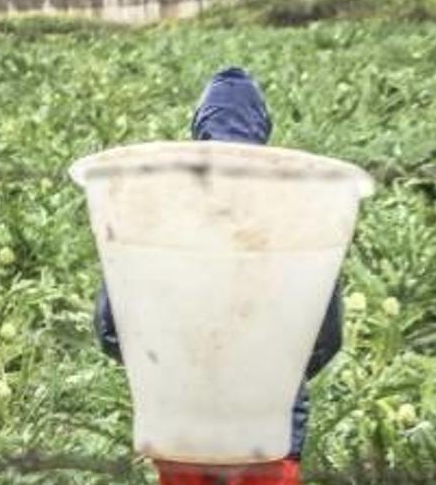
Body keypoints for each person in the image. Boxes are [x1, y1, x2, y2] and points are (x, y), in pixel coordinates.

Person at [93, 67, 344, 485]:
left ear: (199, 130)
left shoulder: (157, 213)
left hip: (181, 427)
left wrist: (160, 371)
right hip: (269, 432)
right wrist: (282, 376)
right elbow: (327, 334)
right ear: (263, 131)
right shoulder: (298, 216)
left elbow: (110, 327)